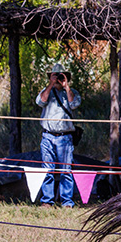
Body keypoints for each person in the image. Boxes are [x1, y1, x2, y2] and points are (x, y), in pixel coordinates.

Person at [37, 63, 81, 208]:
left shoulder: (71, 91)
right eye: (55, 76)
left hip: (65, 136)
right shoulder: (46, 91)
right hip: (48, 136)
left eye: (61, 76)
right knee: (47, 169)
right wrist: (50, 85)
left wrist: (66, 86)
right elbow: (40, 102)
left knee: (66, 170)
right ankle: (47, 200)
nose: (58, 79)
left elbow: (74, 104)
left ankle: (67, 202)